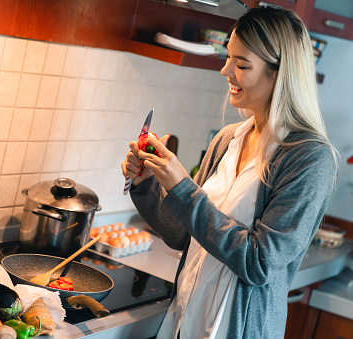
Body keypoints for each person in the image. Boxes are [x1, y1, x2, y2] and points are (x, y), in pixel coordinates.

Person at [121, 6, 337, 339]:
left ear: (280, 74)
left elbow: (259, 263)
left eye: (241, 64)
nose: (225, 70)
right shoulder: (227, 140)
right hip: (184, 323)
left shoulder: (309, 159)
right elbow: (182, 235)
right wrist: (148, 183)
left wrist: (182, 186)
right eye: (228, 58)